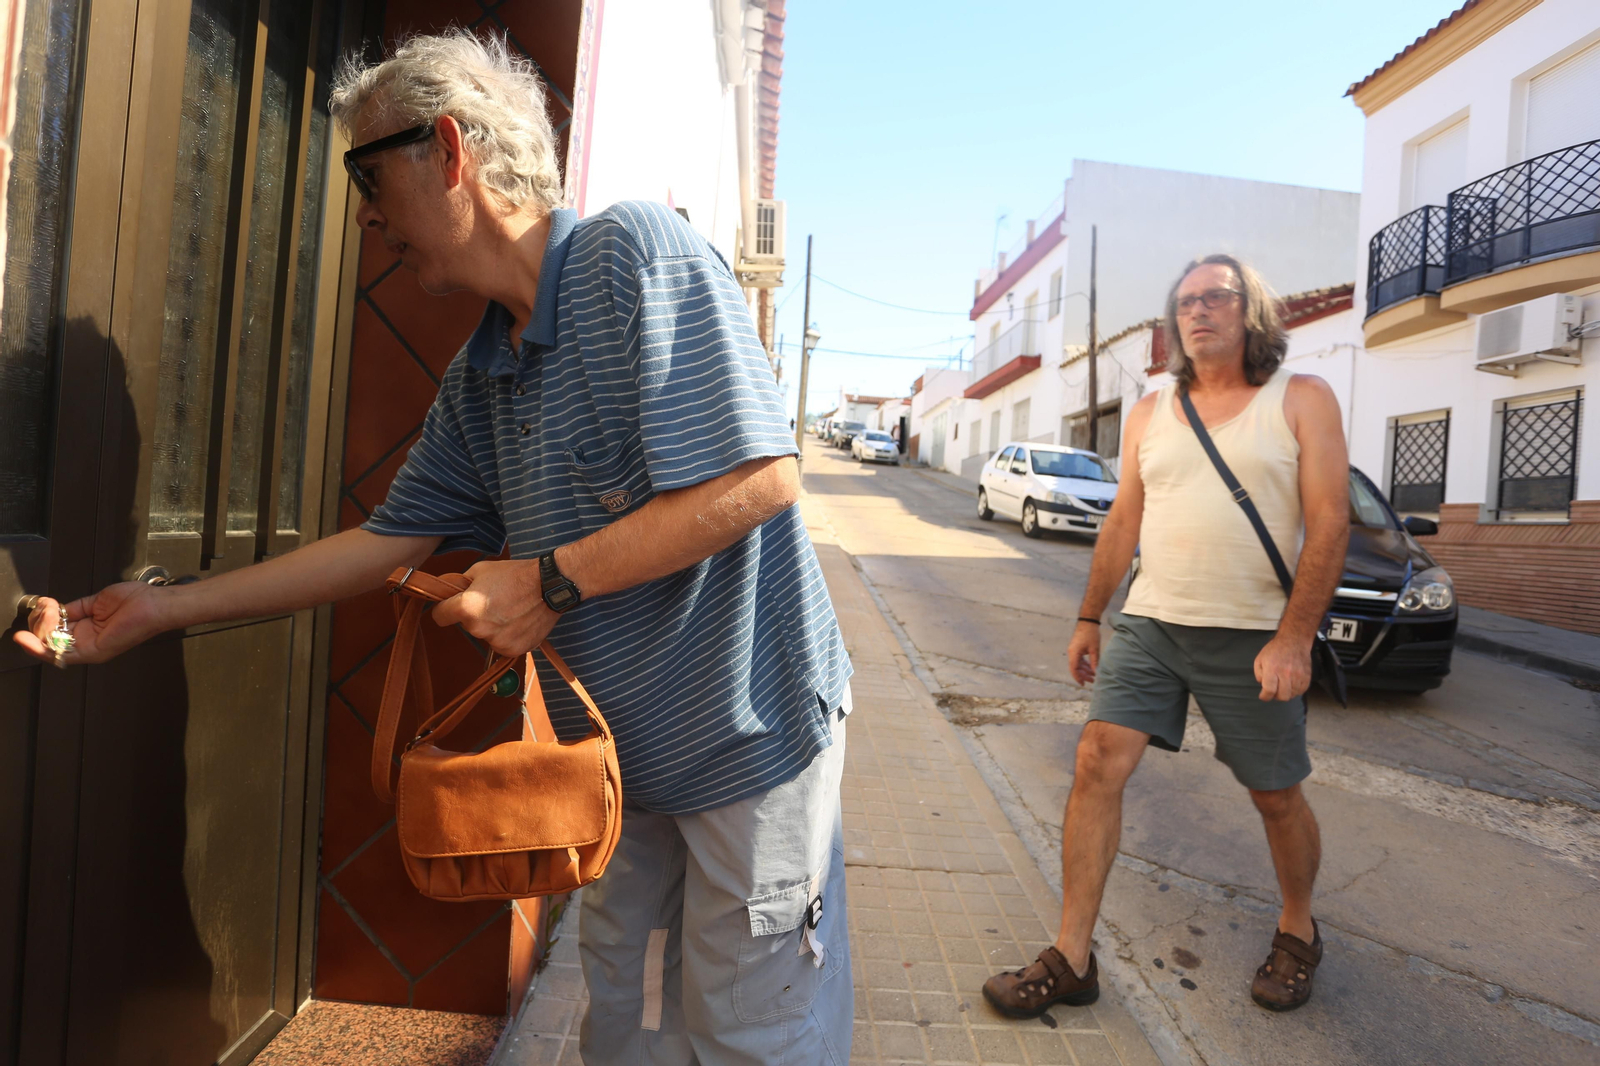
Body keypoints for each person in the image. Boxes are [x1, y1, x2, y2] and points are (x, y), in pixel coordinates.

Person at [16, 32, 855, 1064]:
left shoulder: (635, 255)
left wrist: (550, 579)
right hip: (623, 770)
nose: (365, 216)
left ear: (449, 151)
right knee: (625, 1032)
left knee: (751, 1034)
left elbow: (758, 478)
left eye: (370, 176)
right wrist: (161, 609)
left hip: (753, 744)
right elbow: (382, 543)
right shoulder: (482, 372)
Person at [982, 254, 1348, 1017]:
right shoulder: (1152, 410)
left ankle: (1297, 926)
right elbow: (1123, 521)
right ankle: (1073, 957)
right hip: (1152, 623)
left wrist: (1295, 638)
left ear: (1252, 311)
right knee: (1094, 762)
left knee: (1276, 796)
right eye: (1185, 302)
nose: (1198, 311)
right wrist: (1090, 615)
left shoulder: (1302, 399)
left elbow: (1331, 523)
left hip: (1253, 634)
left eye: (1216, 296)